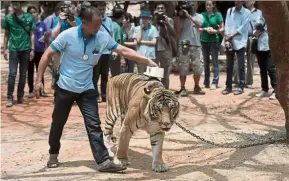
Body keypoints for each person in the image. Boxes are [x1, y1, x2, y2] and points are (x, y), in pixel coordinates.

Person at [34, 7, 158, 172]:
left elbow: (123, 50)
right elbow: (46, 54)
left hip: (86, 88)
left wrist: (146, 60)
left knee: (94, 125)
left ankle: (103, 161)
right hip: (65, 87)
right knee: (58, 123)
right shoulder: (68, 36)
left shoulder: (101, 37)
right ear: (84, 23)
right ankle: (53, 153)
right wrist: (38, 80)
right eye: (96, 24)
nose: (99, 28)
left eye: (100, 24)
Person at [2, 1, 36, 107]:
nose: (14, 6)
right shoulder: (8, 18)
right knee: (12, 73)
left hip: (26, 48)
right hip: (13, 49)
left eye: (16, 4)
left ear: (21, 5)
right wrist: (4, 49)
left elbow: (32, 34)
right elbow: (6, 34)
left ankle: (20, 97)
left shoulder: (29, 17)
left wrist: (32, 49)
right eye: (13, 4)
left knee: (23, 74)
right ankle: (9, 97)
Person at [175, 1, 205, 96]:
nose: (190, 7)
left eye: (192, 5)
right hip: (184, 43)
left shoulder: (199, 16)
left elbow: (200, 25)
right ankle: (182, 88)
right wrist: (179, 17)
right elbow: (178, 32)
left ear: (195, 6)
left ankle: (196, 86)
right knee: (183, 65)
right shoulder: (182, 17)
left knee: (198, 66)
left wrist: (189, 16)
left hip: (196, 44)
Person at [221, 1, 250, 95]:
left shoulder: (247, 12)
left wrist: (230, 36)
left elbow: (243, 27)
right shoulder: (230, 11)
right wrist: (227, 40)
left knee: (241, 65)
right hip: (230, 41)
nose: (236, 2)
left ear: (243, 1)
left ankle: (241, 86)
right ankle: (228, 87)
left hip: (240, 42)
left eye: (238, 0)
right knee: (229, 65)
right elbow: (227, 25)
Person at [92, 1, 114, 103]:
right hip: (96, 52)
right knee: (95, 75)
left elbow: (111, 35)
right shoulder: (93, 19)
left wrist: (114, 50)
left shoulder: (109, 20)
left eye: (103, 9)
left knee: (105, 75)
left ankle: (104, 95)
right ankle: (95, 95)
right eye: (100, 9)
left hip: (106, 52)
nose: (101, 11)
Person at [200, 1, 224, 90]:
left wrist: (215, 31)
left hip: (214, 40)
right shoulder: (202, 15)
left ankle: (215, 82)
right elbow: (198, 28)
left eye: (210, 5)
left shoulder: (218, 15)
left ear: (213, 5)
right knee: (205, 62)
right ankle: (206, 81)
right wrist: (205, 29)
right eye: (207, 5)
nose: (208, 6)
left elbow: (222, 28)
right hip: (204, 40)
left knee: (215, 62)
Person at [27, 6, 49, 98]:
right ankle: (31, 90)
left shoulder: (42, 24)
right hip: (29, 51)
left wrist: (45, 38)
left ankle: (41, 90)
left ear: (37, 13)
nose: (32, 14)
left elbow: (47, 37)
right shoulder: (26, 24)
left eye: (34, 12)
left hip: (40, 51)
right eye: (30, 12)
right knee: (30, 71)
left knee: (40, 71)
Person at [153, 2, 176, 89]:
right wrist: (155, 18)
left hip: (166, 47)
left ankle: (165, 90)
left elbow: (173, 34)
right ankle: (155, 90)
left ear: (165, 9)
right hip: (155, 47)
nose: (160, 10)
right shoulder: (153, 20)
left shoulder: (169, 20)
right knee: (154, 70)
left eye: (162, 8)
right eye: (158, 8)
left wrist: (167, 23)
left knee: (166, 71)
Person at [254, 13, 277, 100]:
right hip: (259, 46)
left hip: (269, 45)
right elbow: (254, 27)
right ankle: (264, 89)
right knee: (262, 69)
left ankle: (276, 90)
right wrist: (256, 31)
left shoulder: (273, 14)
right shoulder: (259, 14)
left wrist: (262, 29)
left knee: (271, 69)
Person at [244, 1, 262, 89]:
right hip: (241, 38)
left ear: (254, 1)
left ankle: (249, 82)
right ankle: (237, 81)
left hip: (252, 38)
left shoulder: (259, 13)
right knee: (238, 60)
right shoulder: (242, 11)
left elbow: (261, 27)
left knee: (251, 60)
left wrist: (256, 37)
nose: (246, 1)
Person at [110, 6, 125, 76]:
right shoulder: (117, 27)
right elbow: (118, 43)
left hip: (106, 54)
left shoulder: (109, 24)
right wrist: (122, 58)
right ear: (122, 16)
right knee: (116, 76)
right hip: (115, 55)